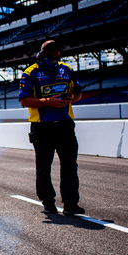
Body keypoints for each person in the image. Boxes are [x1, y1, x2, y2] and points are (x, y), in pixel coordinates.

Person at [18, 40, 84, 215]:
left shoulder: (67, 69)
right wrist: (48, 102)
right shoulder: (30, 73)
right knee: (43, 166)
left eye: (57, 55)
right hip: (42, 127)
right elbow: (24, 101)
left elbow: (78, 92)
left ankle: (70, 204)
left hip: (65, 126)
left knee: (70, 165)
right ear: (42, 54)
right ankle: (48, 202)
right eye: (51, 55)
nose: (55, 59)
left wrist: (72, 98)